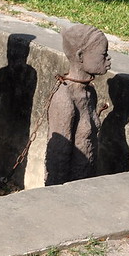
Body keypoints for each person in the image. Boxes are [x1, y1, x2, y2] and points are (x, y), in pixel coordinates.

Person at [44, 24, 111, 186]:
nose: (108, 58)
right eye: (103, 54)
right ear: (80, 56)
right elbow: (57, 159)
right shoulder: (64, 99)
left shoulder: (90, 93)